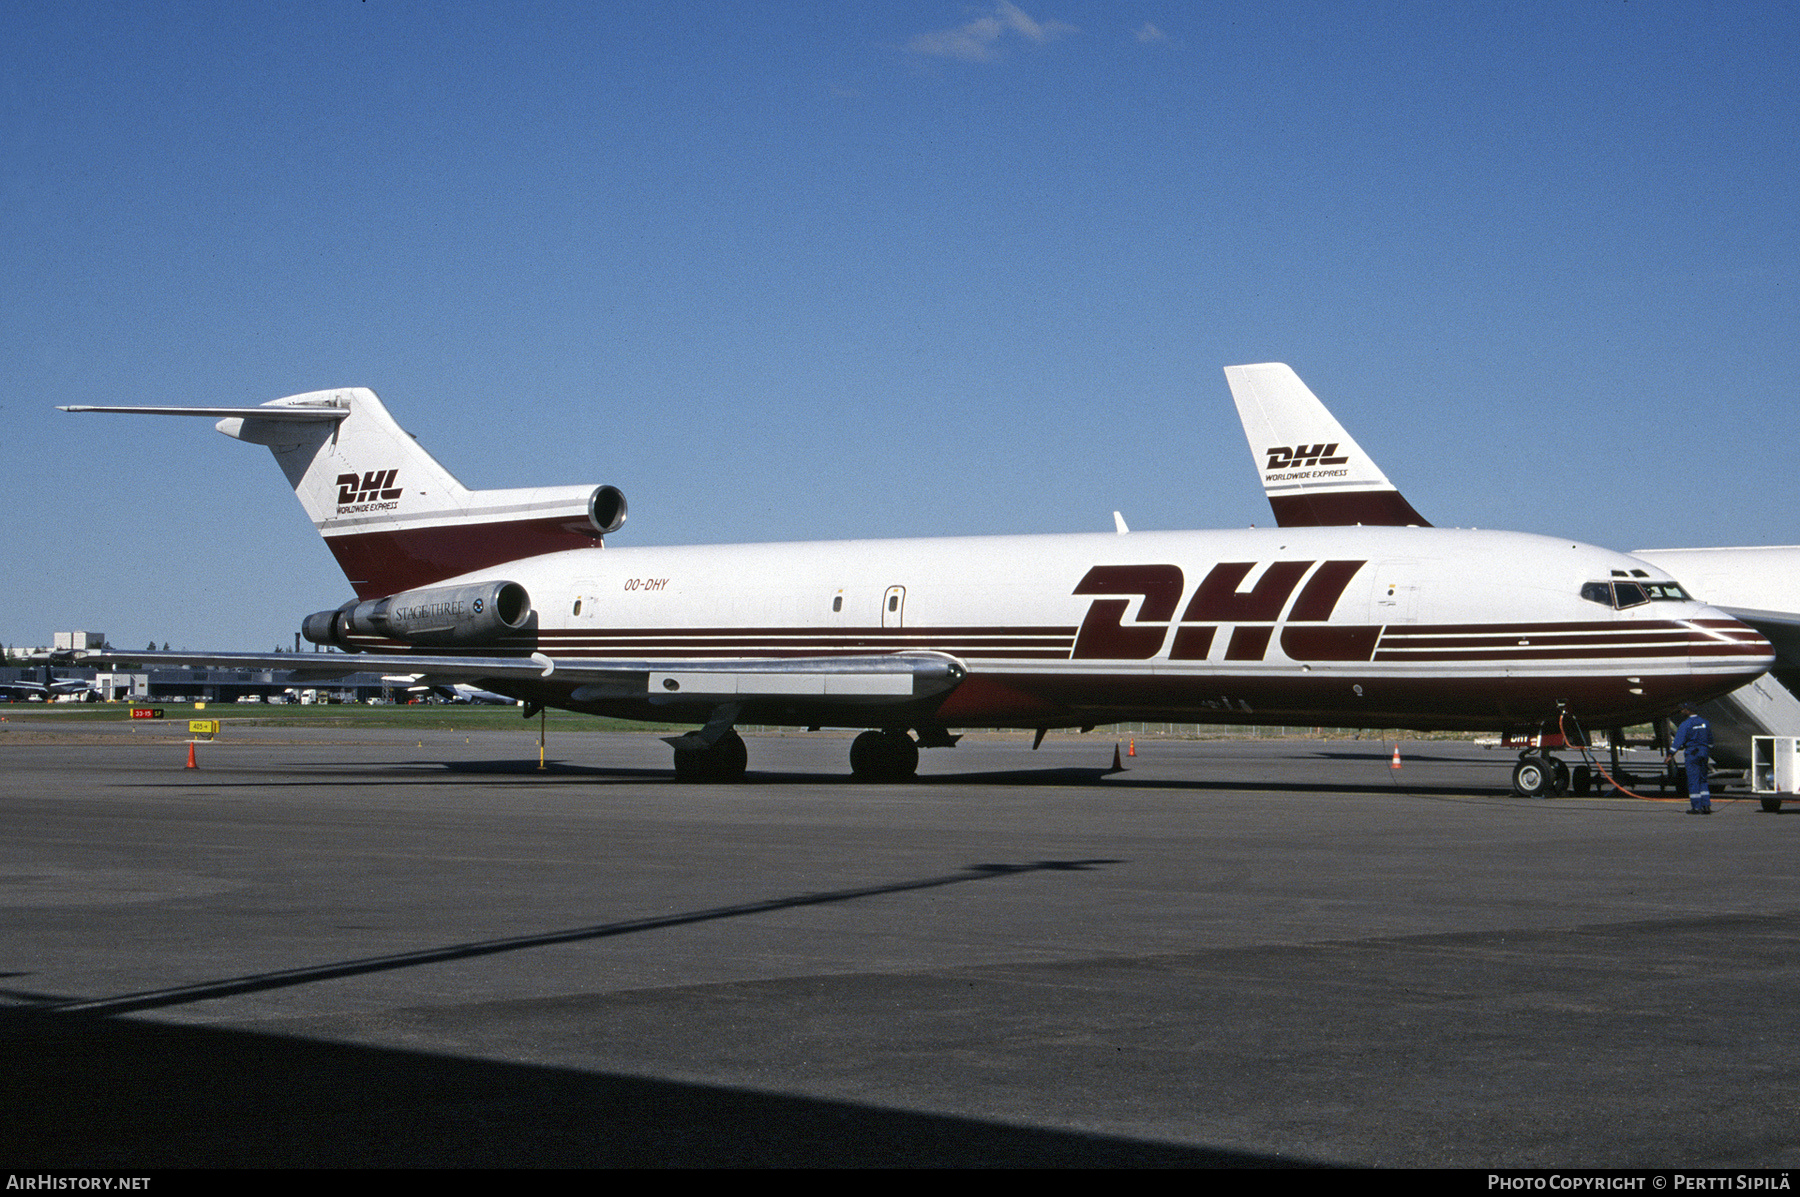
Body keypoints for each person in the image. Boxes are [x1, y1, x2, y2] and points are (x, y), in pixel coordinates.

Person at [1669, 703, 1713, 814]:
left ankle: (1696, 807)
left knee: (1693, 780)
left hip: (1692, 753)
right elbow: (1710, 740)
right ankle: (1706, 806)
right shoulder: (1705, 722)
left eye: (1683, 709)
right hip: (1704, 752)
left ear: (1688, 711)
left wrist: (1670, 754)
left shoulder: (1686, 724)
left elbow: (1678, 741)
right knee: (1703, 779)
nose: (1681, 711)